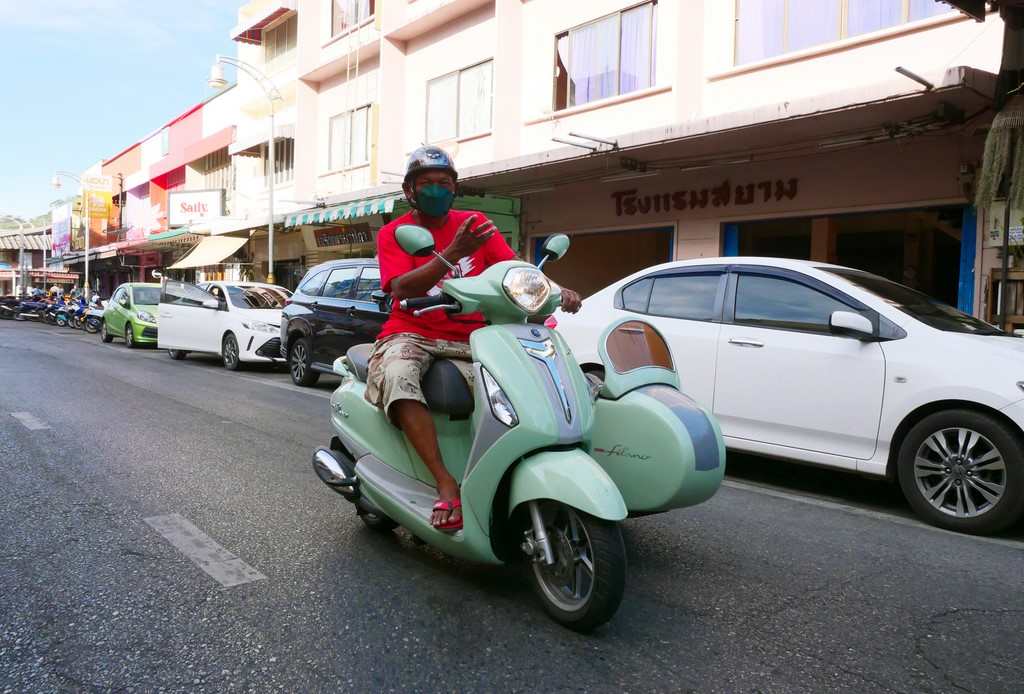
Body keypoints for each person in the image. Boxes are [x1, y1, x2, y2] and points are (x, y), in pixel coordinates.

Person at [365, 146, 583, 531]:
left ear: (455, 188)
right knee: (399, 375)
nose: (436, 190)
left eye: (444, 183)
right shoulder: (394, 233)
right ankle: (444, 480)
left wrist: (555, 287)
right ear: (409, 191)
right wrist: (452, 253)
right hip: (412, 331)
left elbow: (513, 270)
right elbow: (400, 288)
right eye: (427, 184)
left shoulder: (476, 224)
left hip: (479, 337)